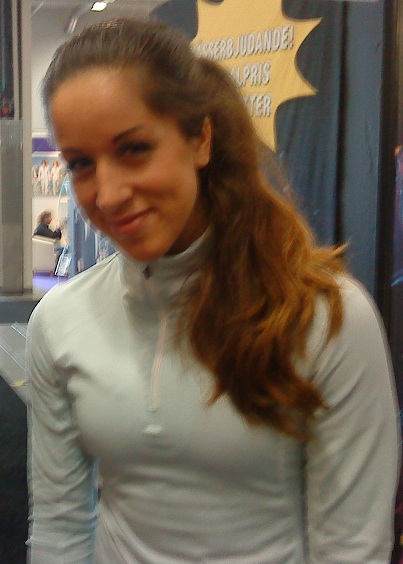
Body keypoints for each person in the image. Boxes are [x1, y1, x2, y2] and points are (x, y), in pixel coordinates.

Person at [26, 18, 400, 564]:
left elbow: (351, 547)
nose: (107, 194)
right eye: (81, 164)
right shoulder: (60, 320)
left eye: (133, 149)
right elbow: (59, 528)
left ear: (200, 139)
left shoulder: (326, 318)